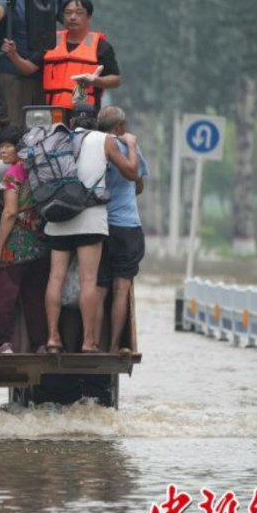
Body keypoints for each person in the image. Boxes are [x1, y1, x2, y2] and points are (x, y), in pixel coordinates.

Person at [42, 110, 140, 354]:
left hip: (58, 217)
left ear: (71, 122)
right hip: (90, 219)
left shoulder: (57, 138)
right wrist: (132, 145)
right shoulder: (104, 140)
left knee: (56, 278)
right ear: (95, 123)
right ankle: (88, 342)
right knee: (89, 281)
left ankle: (53, 338)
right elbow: (131, 172)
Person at [0, 125, 50, 354]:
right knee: (35, 297)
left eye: (8, 146)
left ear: (19, 148)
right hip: (41, 242)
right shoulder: (40, 170)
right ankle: (40, 344)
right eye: (0, 146)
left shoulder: (14, 173)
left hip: (16, 244)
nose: (3, 151)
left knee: (2, 295)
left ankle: (2, 343)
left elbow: (10, 212)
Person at [96, 105, 149, 353]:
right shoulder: (128, 147)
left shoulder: (94, 147)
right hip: (127, 227)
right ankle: (115, 345)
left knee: (99, 288)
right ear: (119, 127)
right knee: (120, 289)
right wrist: (133, 145)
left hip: (100, 226)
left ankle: (92, 343)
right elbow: (138, 185)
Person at [36, 0, 121, 111]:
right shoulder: (50, 41)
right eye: (68, 13)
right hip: (49, 111)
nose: (72, 17)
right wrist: (14, 54)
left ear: (89, 17)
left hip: (84, 112)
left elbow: (115, 80)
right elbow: (31, 68)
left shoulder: (101, 46)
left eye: (79, 13)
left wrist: (96, 81)